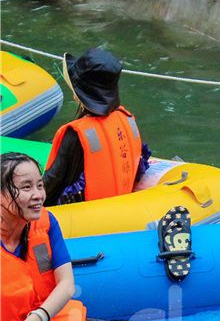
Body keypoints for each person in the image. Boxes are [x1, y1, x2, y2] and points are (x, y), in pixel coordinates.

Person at [43, 48, 149, 206]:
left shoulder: (75, 135)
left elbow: (52, 183)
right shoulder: (126, 119)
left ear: (78, 94)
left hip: (80, 213)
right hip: (119, 205)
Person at [1, 152, 81, 321]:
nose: (38, 195)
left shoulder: (47, 222)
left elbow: (67, 284)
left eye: (40, 185)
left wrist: (36, 320)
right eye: (26, 187)